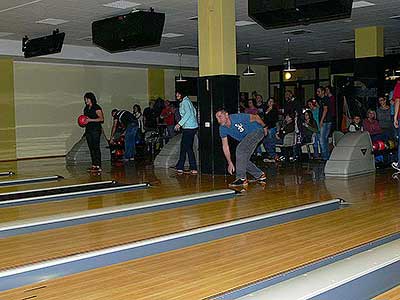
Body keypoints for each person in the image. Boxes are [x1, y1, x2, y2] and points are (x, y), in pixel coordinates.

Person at [215, 109, 268, 187]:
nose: (219, 120)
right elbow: (225, 146)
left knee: (240, 149)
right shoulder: (222, 128)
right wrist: (229, 162)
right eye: (217, 118)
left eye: (220, 117)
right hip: (247, 137)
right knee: (243, 159)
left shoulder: (237, 117)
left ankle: (241, 179)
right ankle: (259, 175)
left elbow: (256, 117)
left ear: (226, 115)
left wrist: (265, 127)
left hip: (257, 131)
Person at [175, 91, 198, 175]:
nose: (177, 95)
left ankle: (191, 167)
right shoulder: (188, 101)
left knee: (186, 147)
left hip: (188, 128)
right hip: (192, 127)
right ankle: (180, 166)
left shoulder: (185, 102)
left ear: (182, 94)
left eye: (178, 94)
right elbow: (194, 112)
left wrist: (179, 124)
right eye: (176, 94)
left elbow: (188, 113)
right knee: (186, 147)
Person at [83, 92, 104, 172]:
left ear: (91, 99)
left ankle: (98, 165)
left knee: (96, 147)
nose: (85, 101)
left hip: (95, 130)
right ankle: (94, 165)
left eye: (87, 99)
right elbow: (85, 119)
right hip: (88, 130)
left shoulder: (96, 107)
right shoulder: (86, 108)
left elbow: (101, 119)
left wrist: (90, 120)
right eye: (85, 99)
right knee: (91, 148)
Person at [316, 87, 332, 161]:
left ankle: (325, 157)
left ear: (323, 91)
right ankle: (327, 156)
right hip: (327, 120)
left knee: (322, 139)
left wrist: (321, 120)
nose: (317, 93)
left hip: (326, 121)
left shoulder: (325, 99)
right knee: (324, 139)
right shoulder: (322, 99)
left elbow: (325, 110)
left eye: (319, 91)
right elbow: (323, 108)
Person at [263, 97, 279, 162]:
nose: (270, 102)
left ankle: (274, 156)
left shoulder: (274, 110)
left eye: (272, 101)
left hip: (271, 128)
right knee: (266, 142)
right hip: (266, 128)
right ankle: (273, 156)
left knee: (270, 142)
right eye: (269, 101)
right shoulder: (266, 109)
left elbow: (273, 120)